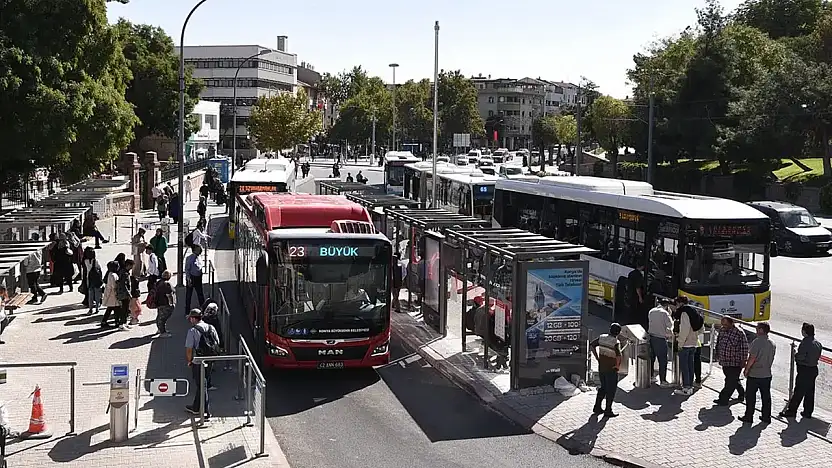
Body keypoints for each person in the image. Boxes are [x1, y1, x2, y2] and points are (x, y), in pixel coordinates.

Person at [780, 322, 822, 419]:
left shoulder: (805, 343)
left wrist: (795, 355)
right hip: (813, 369)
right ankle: (807, 412)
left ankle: (791, 411)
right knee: (810, 392)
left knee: (798, 391)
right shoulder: (818, 343)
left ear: (804, 332)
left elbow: (801, 357)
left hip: (804, 370)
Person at [185, 309, 219, 418]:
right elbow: (217, 342)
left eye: (190, 318)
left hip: (198, 361)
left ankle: (205, 411)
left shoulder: (192, 331)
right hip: (210, 360)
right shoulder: (211, 327)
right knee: (203, 384)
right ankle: (195, 407)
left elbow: (189, 349)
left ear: (193, 318)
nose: (190, 320)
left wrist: (189, 361)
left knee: (201, 385)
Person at [739, 322, 776, 424]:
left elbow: (752, 358)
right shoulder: (772, 343)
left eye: (757, 328)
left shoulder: (756, 342)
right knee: (766, 397)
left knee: (750, 396)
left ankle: (749, 416)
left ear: (761, 330)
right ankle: (766, 417)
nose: (756, 330)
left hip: (755, 374)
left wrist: (746, 369)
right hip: (767, 374)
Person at [713, 316, 748, 406]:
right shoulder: (722, 330)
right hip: (725, 362)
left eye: (725, 324)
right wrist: (717, 353)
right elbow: (718, 343)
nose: (723, 326)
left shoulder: (739, 333)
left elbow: (744, 348)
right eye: (722, 324)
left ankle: (723, 399)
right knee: (732, 379)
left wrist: (743, 361)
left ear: (731, 323)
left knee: (730, 382)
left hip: (735, 362)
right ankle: (742, 393)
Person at [590, 323, 623, 418]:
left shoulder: (602, 337)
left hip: (602, 367)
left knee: (603, 387)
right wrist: (617, 366)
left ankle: (597, 407)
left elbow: (592, 345)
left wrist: (597, 357)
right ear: (618, 332)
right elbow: (619, 356)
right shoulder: (616, 342)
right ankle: (608, 410)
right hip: (611, 369)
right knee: (611, 390)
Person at [673, 296, 699, 396]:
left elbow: (684, 329)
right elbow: (701, 327)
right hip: (694, 342)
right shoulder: (694, 311)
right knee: (690, 366)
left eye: (677, 304)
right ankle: (690, 386)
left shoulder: (684, 313)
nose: (676, 306)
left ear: (680, 303)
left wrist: (680, 343)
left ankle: (686, 388)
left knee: (684, 367)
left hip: (685, 343)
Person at [647, 298, 674, 387]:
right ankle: (663, 380)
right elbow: (671, 325)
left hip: (650, 337)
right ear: (667, 306)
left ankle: (651, 376)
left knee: (652, 358)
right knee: (663, 360)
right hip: (660, 339)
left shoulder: (651, 311)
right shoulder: (665, 313)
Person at [22, 234, 47, 304]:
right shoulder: (38, 250)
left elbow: (26, 262)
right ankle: (42, 294)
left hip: (30, 269)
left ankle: (35, 298)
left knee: (32, 285)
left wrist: (24, 266)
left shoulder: (29, 251)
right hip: (38, 268)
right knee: (35, 283)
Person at [81, 247, 104, 316]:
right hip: (96, 280)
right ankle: (97, 307)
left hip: (89, 279)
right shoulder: (95, 261)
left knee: (90, 294)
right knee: (97, 294)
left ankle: (90, 309)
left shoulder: (85, 261)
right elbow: (99, 270)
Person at [184, 245, 205, 313]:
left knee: (200, 293)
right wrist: (188, 279)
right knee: (189, 295)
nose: (200, 251)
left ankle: (203, 308)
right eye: (198, 250)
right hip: (192, 278)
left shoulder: (199, 257)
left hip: (198, 277)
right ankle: (187, 310)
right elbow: (187, 269)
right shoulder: (189, 258)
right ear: (194, 250)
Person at [154, 271, 175, 337]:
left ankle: (160, 329)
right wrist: (171, 303)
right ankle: (162, 332)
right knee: (163, 317)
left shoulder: (158, 282)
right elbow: (169, 295)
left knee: (160, 316)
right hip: (165, 303)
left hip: (159, 302)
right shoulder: (167, 284)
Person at [101, 261, 121, 328]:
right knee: (116, 309)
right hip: (113, 295)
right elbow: (114, 286)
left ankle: (104, 321)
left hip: (112, 295)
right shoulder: (112, 275)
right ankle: (117, 322)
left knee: (110, 308)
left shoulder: (111, 274)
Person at [115, 259, 134, 330]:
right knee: (124, 309)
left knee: (126, 309)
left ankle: (125, 323)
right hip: (124, 294)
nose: (132, 268)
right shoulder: (125, 274)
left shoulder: (123, 271)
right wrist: (129, 294)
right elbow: (124, 285)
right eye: (131, 266)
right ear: (128, 265)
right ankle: (121, 324)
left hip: (123, 293)